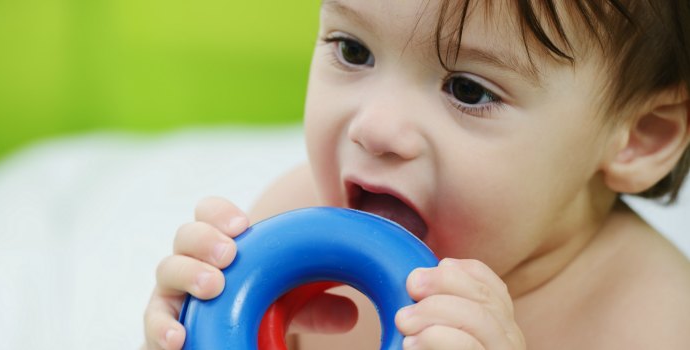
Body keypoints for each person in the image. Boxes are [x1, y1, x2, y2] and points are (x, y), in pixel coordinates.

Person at [143, 0, 690, 348]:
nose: (375, 129)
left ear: (640, 137)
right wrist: (186, 333)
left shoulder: (651, 319)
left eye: (469, 90)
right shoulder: (285, 230)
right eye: (353, 50)